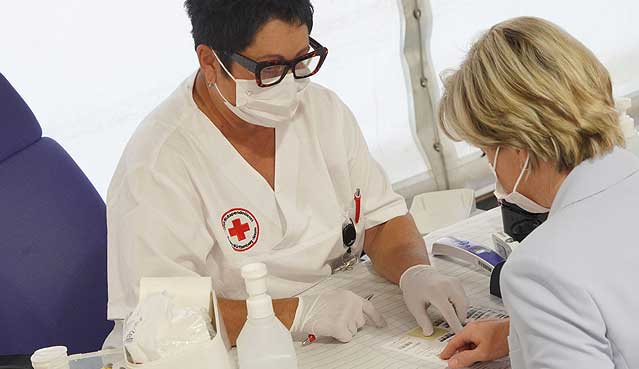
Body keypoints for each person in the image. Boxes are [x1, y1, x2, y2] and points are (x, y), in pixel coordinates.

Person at [105, 0, 468, 347]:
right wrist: (292, 315)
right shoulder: (158, 165)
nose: (290, 85)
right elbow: (160, 316)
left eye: (301, 61)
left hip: (345, 329)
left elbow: (381, 220)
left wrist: (415, 271)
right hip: (224, 350)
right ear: (210, 62)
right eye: (271, 68)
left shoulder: (322, 111)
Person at [436, 17, 639, 369]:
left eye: (486, 152)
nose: (492, 169)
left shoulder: (540, 268)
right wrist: (521, 333)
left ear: (518, 147)